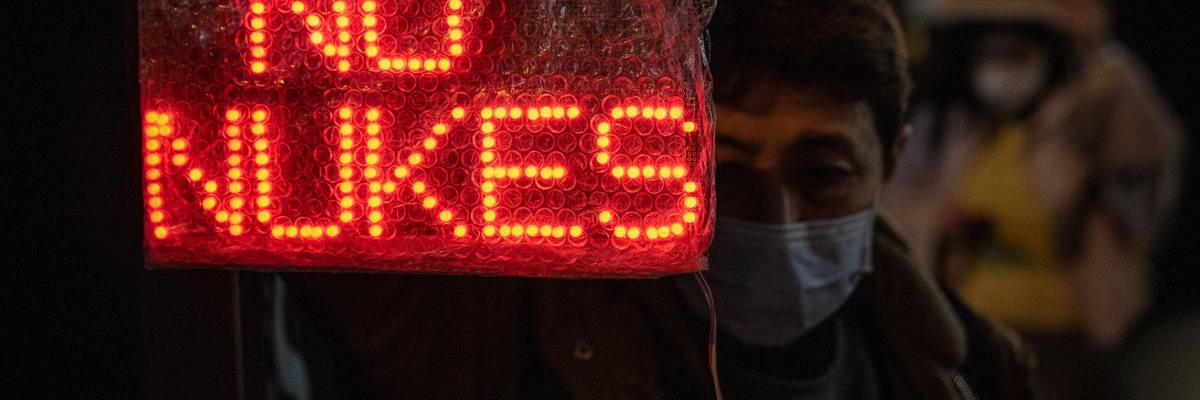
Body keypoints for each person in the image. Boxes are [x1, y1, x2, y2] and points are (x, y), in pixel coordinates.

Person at [280, 0, 1037, 398]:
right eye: (728, 172)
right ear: (663, 151)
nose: (777, 219)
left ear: (892, 159)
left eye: (823, 172)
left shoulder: (977, 369)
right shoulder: (497, 339)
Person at [883, 0, 1183, 397]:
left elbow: (1148, 169)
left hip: (1062, 339)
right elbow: (890, 207)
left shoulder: (1079, 127)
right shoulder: (955, 130)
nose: (1001, 70)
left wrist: (1098, 52)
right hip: (971, 332)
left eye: (1017, 55)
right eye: (991, 54)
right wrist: (935, 220)